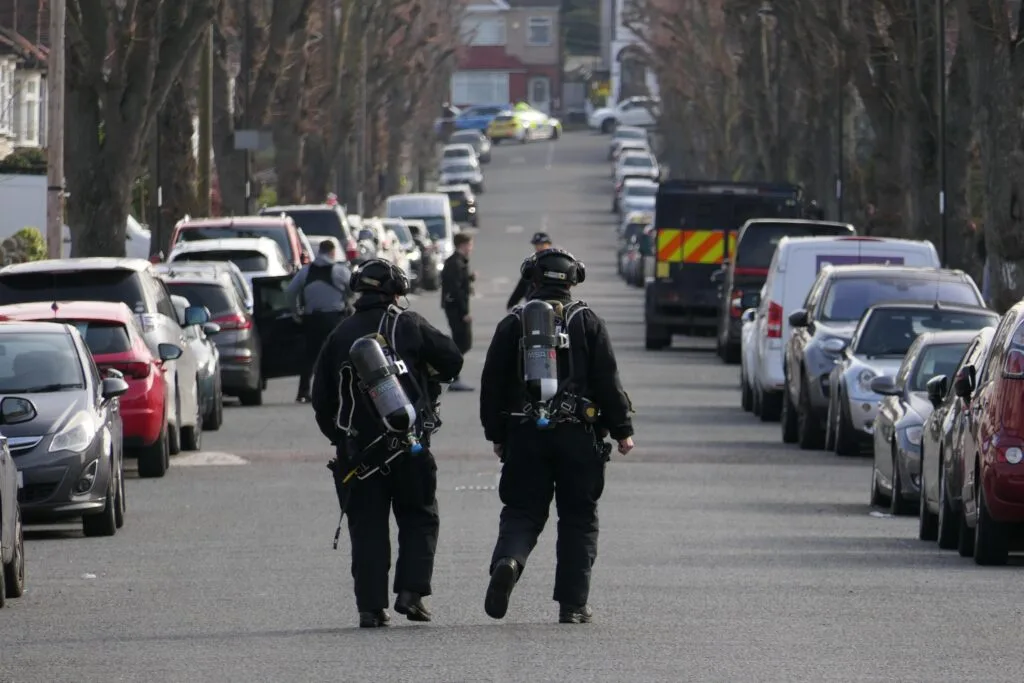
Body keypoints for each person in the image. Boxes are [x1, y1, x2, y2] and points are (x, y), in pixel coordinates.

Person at [479, 247, 635, 625]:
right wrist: (622, 430)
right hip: (579, 436)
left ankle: (509, 562)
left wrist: (497, 434)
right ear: (572, 281)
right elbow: (607, 381)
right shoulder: (588, 322)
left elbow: (492, 386)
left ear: (531, 279)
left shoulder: (513, 323)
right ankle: (573, 604)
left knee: (522, 511)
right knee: (578, 517)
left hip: (525, 434)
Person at [311, 259, 464, 629]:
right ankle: (411, 594)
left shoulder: (339, 334)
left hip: (358, 454)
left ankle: (370, 608)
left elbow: (321, 400)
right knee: (419, 516)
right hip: (409, 446)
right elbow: (452, 359)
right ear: (396, 291)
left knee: (367, 528)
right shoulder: (407, 324)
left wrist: (341, 439)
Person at [286, 240, 353, 403]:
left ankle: (303, 392)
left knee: (310, 355)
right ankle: (339, 391)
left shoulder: (305, 272)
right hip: (335, 318)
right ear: (332, 252)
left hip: (312, 319)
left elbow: (290, 292)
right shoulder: (341, 271)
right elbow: (352, 290)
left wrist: (296, 313)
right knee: (337, 355)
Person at [441, 232, 476, 391]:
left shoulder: (459, 262)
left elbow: (458, 282)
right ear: (462, 245)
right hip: (456, 309)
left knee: (463, 342)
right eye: (469, 245)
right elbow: (455, 290)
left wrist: (469, 279)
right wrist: (464, 313)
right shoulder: (455, 262)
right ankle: (452, 375)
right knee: (462, 341)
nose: (471, 248)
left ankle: (452, 373)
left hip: (456, 308)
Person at [506, 232, 553, 310]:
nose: (539, 247)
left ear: (548, 244)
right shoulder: (533, 263)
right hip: (534, 304)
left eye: (542, 245)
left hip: (554, 301)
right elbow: (522, 285)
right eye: (537, 245)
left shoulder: (556, 261)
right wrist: (511, 304)